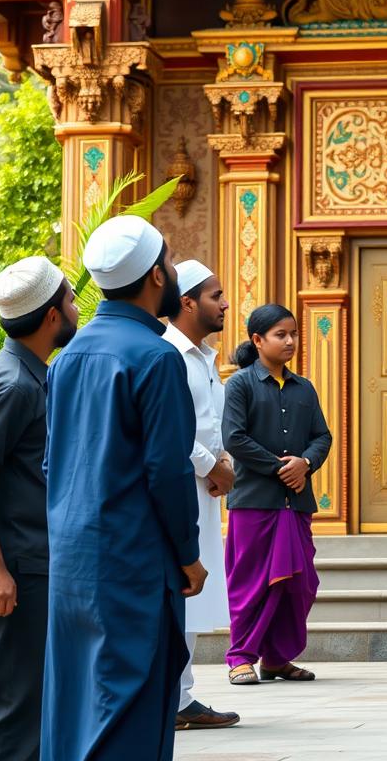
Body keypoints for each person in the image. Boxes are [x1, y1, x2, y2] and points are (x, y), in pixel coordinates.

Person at [40, 215, 206, 761]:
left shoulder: (69, 358)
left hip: (71, 561)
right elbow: (168, 469)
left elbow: (52, 462)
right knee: (131, 705)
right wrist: (187, 554)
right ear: (158, 276)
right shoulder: (155, 357)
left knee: (74, 701)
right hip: (134, 560)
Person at [0, 257, 77, 761]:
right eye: (70, 301)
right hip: (13, 571)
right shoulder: (12, 383)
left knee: (10, 702)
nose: (75, 309)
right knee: (12, 709)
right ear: (51, 315)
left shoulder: (26, 374)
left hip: (24, 564)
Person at [221, 304, 332, 686]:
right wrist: (280, 469)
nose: (290, 341)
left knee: (299, 584)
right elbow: (234, 438)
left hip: (296, 503)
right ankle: (240, 657)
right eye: (280, 335)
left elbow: (322, 436)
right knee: (252, 583)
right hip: (255, 502)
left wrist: (305, 463)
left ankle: (277, 659)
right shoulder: (240, 384)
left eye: (294, 334)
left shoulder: (304, 388)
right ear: (258, 340)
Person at [162, 260, 240, 731]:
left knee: (195, 593)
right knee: (181, 588)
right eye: (215, 295)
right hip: (178, 486)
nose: (225, 303)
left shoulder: (205, 358)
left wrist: (223, 462)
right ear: (187, 301)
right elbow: (169, 428)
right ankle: (171, 698)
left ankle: (181, 697)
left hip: (205, 491)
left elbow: (211, 426)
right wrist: (212, 465)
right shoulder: (167, 355)